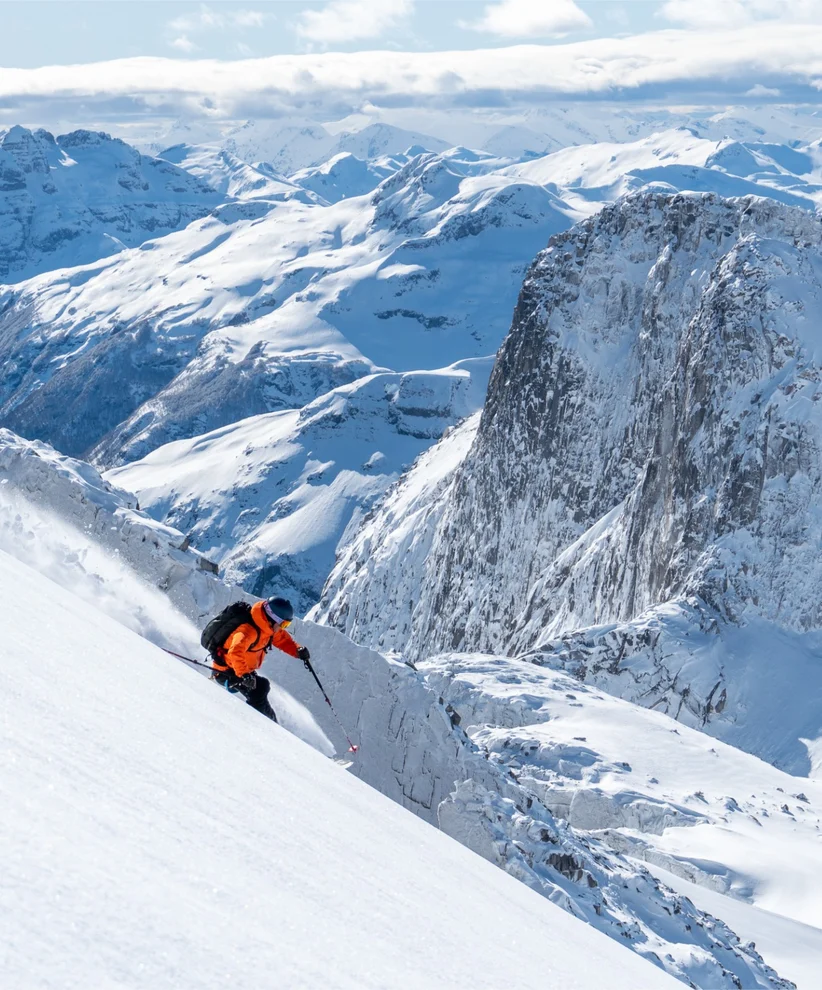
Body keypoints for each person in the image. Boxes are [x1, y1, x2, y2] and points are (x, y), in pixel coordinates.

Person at [210, 596, 311, 722]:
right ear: (273, 619)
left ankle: (269, 722)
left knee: (262, 685)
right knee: (258, 692)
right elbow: (235, 652)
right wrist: (244, 674)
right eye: (284, 624)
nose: (283, 627)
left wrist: (298, 651)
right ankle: (263, 725)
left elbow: (283, 640)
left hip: (242, 670)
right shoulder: (248, 631)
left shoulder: (267, 628)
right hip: (226, 671)